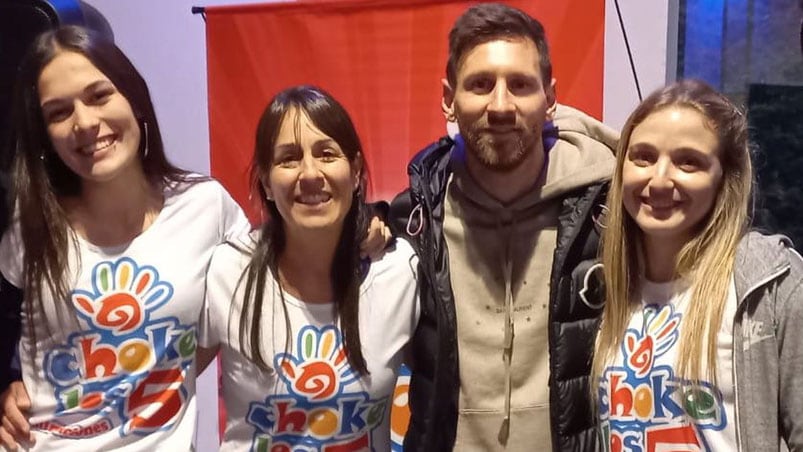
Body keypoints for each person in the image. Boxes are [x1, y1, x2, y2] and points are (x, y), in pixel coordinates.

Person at [0, 25, 250, 450]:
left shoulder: (206, 207)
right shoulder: (28, 221)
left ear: (133, 99)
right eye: (59, 112)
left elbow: (276, 279)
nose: (84, 122)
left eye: (99, 95)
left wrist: (367, 232)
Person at [389, 3, 618, 451]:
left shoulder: (609, 214)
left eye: (519, 85)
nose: (499, 105)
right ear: (448, 99)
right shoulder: (413, 220)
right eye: (479, 85)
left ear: (550, 99)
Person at [199, 85, 419, 451]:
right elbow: (162, 380)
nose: (310, 173)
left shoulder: (400, 273)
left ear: (356, 170)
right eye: (288, 159)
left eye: (327, 154)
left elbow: (446, 397)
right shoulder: (228, 270)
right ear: (267, 181)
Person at [592, 79, 803, 450]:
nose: (659, 180)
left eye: (688, 161)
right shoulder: (599, 287)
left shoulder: (772, 285)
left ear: (726, 177)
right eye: (643, 156)